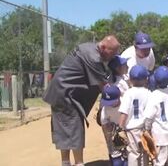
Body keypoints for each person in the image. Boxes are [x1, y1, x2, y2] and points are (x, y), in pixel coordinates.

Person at [43, 35, 120, 166]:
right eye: (112, 53)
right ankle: (79, 163)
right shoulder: (94, 58)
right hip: (66, 95)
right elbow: (103, 86)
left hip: (60, 92)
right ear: (102, 47)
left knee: (64, 128)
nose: (113, 56)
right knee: (74, 128)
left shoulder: (89, 47)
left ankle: (65, 162)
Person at [118, 65, 151, 166]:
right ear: (146, 79)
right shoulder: (148, 93)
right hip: (145, 128)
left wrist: (120, 128)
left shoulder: (129, 93)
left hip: (132, 130)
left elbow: (124, 112)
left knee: (133, 153)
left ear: (131, 80)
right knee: (144, 152)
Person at [144, 66, 168, 166]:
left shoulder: (154, 95)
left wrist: (147, 129)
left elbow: (149, 117)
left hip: (159, 135)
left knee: (159, 161)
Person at [99, 85, 128, 166]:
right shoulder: (105, 108)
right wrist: (109, 140)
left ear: (119, 97)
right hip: (113, 133)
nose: (109, 104)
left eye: (112, 102)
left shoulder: (125, 103)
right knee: (116, 158)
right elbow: (104, 124)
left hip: (126, 132)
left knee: (127, 156)